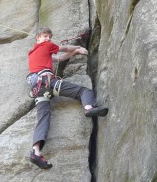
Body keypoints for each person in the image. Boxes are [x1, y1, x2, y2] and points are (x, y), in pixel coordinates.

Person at [27, 27, 108, 169]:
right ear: (37, 38)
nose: (48, 39)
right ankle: (89, 108)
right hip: (48, 82)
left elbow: (58, 58)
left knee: (43, 118)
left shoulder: (33, 53)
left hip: (38, 89)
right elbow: (64, 48)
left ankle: (36, 152)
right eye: (45, 36)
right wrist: (78, 47)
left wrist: (75, 53)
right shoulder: (46, 46)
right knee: (84, 91)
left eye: (49, 37)